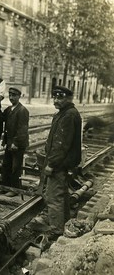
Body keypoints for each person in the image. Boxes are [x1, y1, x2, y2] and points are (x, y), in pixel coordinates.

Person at [34, 86, 82, 248]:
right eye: (54, 97)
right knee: (62, 195)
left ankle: (56, 231)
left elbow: (61, 144)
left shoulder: (68, 115)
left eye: (60, 97)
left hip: (59, 164)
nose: (56, 100)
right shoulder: (66, 113)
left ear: (69, 98)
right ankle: (66, 223)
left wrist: (51, 164)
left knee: (53, 196)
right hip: (64, 163)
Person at [0, 87, 29, 197]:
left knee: (15, 167)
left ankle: (14, 189)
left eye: (14, 96)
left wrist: (15, 143)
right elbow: (0, 118)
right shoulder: (9, 109)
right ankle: (5, 188)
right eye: (10, 95)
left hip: (17, 145)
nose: (12, 98)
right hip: (10, 144)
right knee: (6, 166)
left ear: (19, 96)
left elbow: (22, 130)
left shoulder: (22, 111)